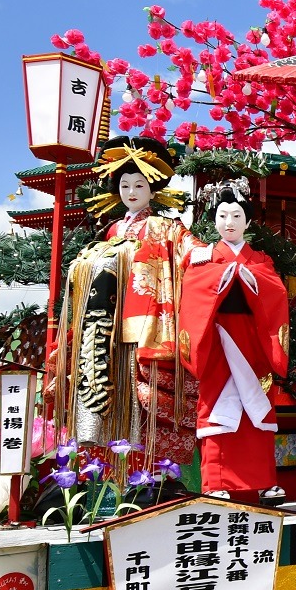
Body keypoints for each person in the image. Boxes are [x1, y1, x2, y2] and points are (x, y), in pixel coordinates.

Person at [53, 136, 196, 463]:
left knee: (140, 400)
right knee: (106, 389)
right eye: (125, 185)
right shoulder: (112, 230)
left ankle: (150, 471)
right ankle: (106, 467)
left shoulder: (165, 227)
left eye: (139, 185)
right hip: (106, 329)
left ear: (152, 189)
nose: (131, 192)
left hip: (143, 325)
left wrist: (204, 254)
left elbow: (190, 250)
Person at [177, 179, 290, 503]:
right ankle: (216, 483)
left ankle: (265, 482)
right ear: (214, 221)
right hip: (218, 341)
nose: (230, 223)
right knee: (217, 407)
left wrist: (253, 281)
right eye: (223, 216)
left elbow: (276, 291)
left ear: (248, 222)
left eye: (237, 216)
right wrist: (222, 277)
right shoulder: (203, 259)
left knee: (256, 407)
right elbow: (194, 291)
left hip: (251, 341)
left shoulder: (260, 260)